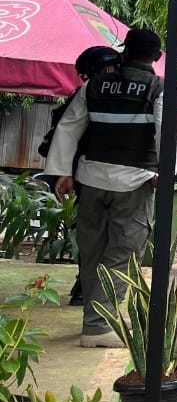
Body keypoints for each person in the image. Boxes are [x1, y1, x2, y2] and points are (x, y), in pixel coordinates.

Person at [47, 28, 165, 348]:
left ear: (126, 51)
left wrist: (62, 171)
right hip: (134, 181)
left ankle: (95, 318)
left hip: (91, 178)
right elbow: (164, 133)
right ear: (157, 57)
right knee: (123, 253)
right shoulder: (157, 87)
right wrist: (164, 172)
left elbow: (68, 127)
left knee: (93, 251)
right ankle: (98, 326)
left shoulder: (94, 85)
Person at [39, 46, 124, 308]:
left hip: (88, 176)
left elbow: (62, 133)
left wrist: (65, 172)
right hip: (115, 177)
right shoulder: (123, 92)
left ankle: (87, 289)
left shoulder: (87, 93)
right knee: (108, 238)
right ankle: (93, 291)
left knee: (93, 236)